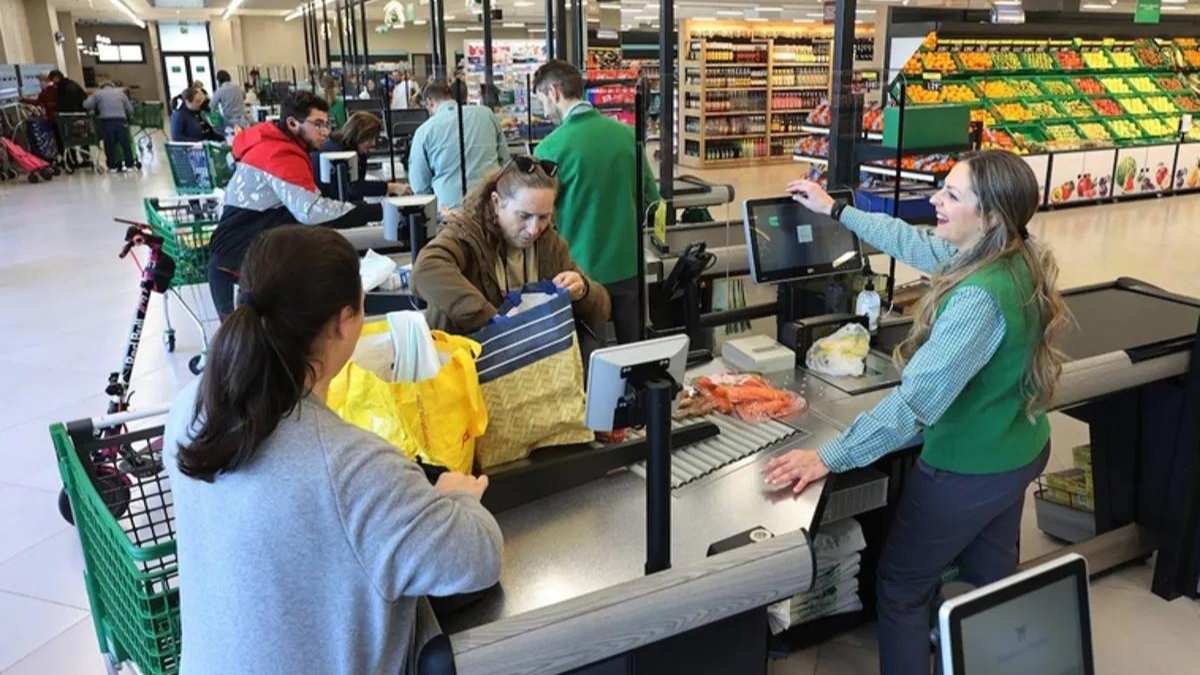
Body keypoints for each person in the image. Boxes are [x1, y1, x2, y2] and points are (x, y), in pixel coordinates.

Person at [766, 150, 1070, 675]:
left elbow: (916, 404)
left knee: (902, 586)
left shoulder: (978, 298)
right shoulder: (1011, 254)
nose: (935, 199)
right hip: (1021, 447)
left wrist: (829, 457)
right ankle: (997, 660)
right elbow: (915, 243)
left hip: (968, 466)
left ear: (992, 215)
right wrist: (838, 211)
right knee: (987, 573)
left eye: (952, 194)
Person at [165, 225, 502, 675]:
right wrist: (458, 496)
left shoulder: (190, 407)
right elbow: (477, 559)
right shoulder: (351, 467)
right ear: (346, 323)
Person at [209, 91, 382, 318]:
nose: (326, 132)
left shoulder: (276, 145)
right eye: (318, 124)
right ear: (292, 123)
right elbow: (312, 211)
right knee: (247, 341)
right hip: (237, 259)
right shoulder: (279, 154)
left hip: (239, 256)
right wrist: (380, 211)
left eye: (327, 124)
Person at [532, 60, 660, 344]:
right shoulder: (627, 136)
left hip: (579, 274)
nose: (543, 108)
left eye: (541, 98)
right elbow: (652, 202)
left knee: (592, 362)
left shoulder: (549, 148)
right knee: (635, 355)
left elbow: (538, 218)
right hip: (629, 266)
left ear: (554, 92)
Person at [413, 155, 611, 335]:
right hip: (464, 364)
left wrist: (583, 290)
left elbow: (602, 309)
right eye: (524, 216)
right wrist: (493, 322)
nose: (534, 229)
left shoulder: (550, 245)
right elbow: (426, 268)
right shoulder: (466, 234)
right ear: (496, 202)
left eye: (544, 217)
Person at [408, 80, 510, 211]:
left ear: (429, 102)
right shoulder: (486, 114)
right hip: (490, 205)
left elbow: (420, 187)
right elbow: (506, 162)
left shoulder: (424, 131)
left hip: (450, 213)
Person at [314, 111, 406, 200]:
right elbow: (353, 188)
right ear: (358, 135)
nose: (373, 143)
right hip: (329, 203)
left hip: (338, 201)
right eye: (370, 138)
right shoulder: (338, 153)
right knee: (378, 210)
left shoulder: (354, 149)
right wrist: (390, 187)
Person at [83, 82, 137, 171]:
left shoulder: (98, 93)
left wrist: (95, 104)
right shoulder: (121, 93)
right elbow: (130, 109)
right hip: (121, 121)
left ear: (101, 87)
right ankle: (130, 165)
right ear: (113, 86)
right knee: (125, 143)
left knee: (109, 144)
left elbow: (86, 105)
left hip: (107, 122)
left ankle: (112, 166)